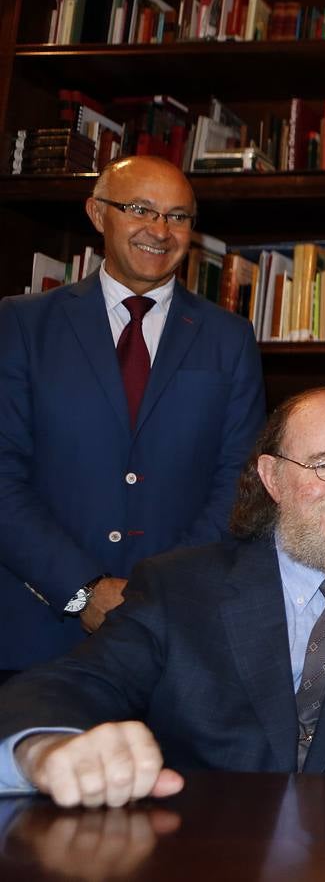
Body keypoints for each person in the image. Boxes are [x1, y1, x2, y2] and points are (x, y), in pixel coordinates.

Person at [0, 388, 325, 807]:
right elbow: (75, 683)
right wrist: (43, 748)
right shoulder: (178, 588)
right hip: (201, 852)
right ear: (272, 477)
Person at [0, 155, 265, 675]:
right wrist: (83, 591)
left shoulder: (229, 339)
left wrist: (152, 596)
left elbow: (239, 486)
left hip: (178, 635)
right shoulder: (21, 325)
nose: (159, 231)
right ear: (98, 214)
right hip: (38, 630)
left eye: (178, 216)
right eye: (140, 209)